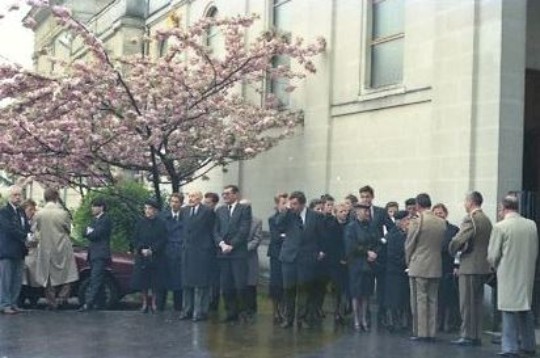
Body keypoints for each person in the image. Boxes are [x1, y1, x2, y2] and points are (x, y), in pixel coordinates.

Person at [488, 195, 538, 357]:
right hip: (527, 271)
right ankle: (529, 344)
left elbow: (493, 254)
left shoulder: (500, 227)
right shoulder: (531, 225)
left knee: (508, 309)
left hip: (508, 271)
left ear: (503, 208)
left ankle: (510, 347)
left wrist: (493, 266)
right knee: (525, 308)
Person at [448, 191, 493, 346]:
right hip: (482, 266)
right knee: (477, 303)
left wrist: (452, 249)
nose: (464, 204)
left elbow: (459, 239)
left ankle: (467, 334)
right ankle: (476, 334)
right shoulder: (487, 220)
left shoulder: (470, 219)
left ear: (471, 202)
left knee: (466, 303)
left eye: (465, 201)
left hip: (469, 266)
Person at [276, 191, 325, 329]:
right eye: (291, 204)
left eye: (295, 204)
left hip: (307, 257)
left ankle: (302, 318)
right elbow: (278, 225)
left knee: (304, 289)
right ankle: (288, 318)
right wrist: (285, 211)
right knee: (288, 289)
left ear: (303, 204)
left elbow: (321, 235)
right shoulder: (288, 215)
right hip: (289, 257)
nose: (293, 206)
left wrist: (320, 251)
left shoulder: (315, 216)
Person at [405, 193, 446, 342]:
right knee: (432, 300)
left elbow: (409, 244)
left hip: (419, 265)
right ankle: (431, 332)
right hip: (435, 264)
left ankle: (421, 332)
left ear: (418, 205)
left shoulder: (417, 221)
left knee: (419, 300)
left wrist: (408, 261)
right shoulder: (441, 222)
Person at [34, 188, 79, 310]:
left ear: (45, 197)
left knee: (48, 276)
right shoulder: (63, 213)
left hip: (46, 248)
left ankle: (51, 302)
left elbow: (35, 230)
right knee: (67, 274)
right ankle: (62, 299)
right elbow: (68, 230)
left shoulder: (39, 214)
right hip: (62, 247)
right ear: (56, 197)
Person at [214, 185, 252, 323]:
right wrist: (222, 244)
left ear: (236, 195)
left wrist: (232, 245)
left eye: (228, 194)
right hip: (223, 252)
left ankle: (243, 312)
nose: (225, 196)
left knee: (240, 284)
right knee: (226, 285)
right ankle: (231, 312)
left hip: (238, 253)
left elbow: (244, 229)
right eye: (223, 194)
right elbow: (215, 230)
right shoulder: (220, 210)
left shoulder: (244, 209)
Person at [358, 185, 394, 328]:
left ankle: (381, 315)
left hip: (379, 253)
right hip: (364, 254)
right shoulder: (357, 212)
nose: (365, 199)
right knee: (365, 286)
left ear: (372, 197)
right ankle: (364, 315)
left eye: (367, 196)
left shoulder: (380, 212)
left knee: (381, 286)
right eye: (363, 197)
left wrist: (384, 240)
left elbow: (392, 228)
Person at [180, 191, 216, 322]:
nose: (191, 198)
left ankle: (200, 311)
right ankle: (186, 310)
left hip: (202, 252)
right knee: (187, 283)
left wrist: (208, 248)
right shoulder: (184, 211)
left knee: (201, 284)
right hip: (188, 251)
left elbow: (212, 230)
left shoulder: (207, 211)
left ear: (200, 198)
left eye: (194, 196)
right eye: (190, 196)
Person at [345, 203, 379, 331]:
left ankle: (364, 318)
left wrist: (375, 252)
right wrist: (366, 252)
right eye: (364, 211)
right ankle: (356, 320)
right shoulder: (351, 227)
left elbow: (376, 241)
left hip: (369, 264)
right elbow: (350, 246)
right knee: (356, 293)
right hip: (356, 263)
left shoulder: (371, 226)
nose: (367, 214)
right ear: (357, 212)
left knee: (366, 293)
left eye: (368, 211)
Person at [130, 199, 167, 313]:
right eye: (145, 208)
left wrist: (152, 250)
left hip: (156, 256)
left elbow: (163, 239)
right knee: (143, 281)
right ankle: (145, 303)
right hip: (142, 256)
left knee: (155, 282)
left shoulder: (161, 223)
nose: (147, 211)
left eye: (150, 208)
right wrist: (141, 249)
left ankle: (154, 303)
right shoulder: (140, 223)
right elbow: (135, 238)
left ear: (155, 210)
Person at [0, 186, 30, 314]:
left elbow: (26, 226)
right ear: (9, 197)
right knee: (6, 279)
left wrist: (30, 235)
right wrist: (25, 235)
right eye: (15, 195)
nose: (18, 197)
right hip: (7, 250)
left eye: (19, 195)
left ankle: (13, 302)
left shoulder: (21, 212)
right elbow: (9, 228)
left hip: (20, 250)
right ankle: (5, 304)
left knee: (17, 279)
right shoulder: (4, 212)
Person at [78, 198, 112, 312]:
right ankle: (101, 302)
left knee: (96, 279)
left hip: (100, 253)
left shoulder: (106, 220)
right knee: (99, 279)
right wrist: (89, 232)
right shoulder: (93, 220)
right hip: (93, 253)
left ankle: (89, 303)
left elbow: (97, 234)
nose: (92, 209)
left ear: (101, 207)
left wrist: (90, 232)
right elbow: (84, 232)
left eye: (94, 206)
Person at [432, 203, 460, 333]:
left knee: (449, 296)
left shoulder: (454, 229)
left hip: (449, 266)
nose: (438, 215)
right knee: (437, 296)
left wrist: (456, 265)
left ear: (446, 213)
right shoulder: (431, 229)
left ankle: (448, 323)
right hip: (435, 266)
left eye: (440, 213)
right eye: (436, 213)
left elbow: (459, 249)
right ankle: (438, 323)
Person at [156, 193, 184, 312]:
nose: (173, 204)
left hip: (180, 253)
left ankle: (178, 308)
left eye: (176, 202)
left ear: (181, 203)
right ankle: (160, 308)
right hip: (166, 253)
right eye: (172, 201)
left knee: (178, 283)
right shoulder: (163, 216)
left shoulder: (185, 216)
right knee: (162, 283)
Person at [384, 210, 411, 332]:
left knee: (403, 297)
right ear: (399, 222)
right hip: (395, 271)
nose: (408, 222)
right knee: (394, 298)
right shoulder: (393, 235)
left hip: (404, 271)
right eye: (406, 220)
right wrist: (405, 262)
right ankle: (393, 322)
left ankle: (403, 322)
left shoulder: (407, 233)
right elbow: (392, 254)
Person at [325, 202, 349, 325]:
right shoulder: (331, 226)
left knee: (345, 288)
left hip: (348, 261)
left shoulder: (350, 225)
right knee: (337, 289)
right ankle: (336, 312)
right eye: (341, 211)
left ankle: (342, 311)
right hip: (335, 262)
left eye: (345, 211)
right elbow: (331, 245)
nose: (344, 213)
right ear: (335, 213)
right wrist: (339, 258)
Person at [268, 193, 288, 324]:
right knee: (276, 283)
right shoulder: (273, 218)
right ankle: (276, 311)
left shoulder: (291, 218)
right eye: (283, 203)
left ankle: (284, 310)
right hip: (276, 254)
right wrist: (284, 236)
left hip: (288, 254)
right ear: (277, 204)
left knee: (286, 283)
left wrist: (284, 236)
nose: (286, 206)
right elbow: (276, 237)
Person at [240, 199, 262, 316]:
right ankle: (240, 308)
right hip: (236, 257)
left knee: (250, 284)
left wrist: (243, 249)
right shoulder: (235, 220)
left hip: (249, 256)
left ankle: (251, 309)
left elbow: (257, 239)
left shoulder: (257, 221)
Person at [20, 199, 39, 308]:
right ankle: (20, 300)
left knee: (33, 279)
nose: (32, 212)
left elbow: (37, 237)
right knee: (22, 279)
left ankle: (33, 301)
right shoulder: (20, 221)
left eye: (33, 209)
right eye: (30, 209)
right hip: (23, 254)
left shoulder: (36, 222)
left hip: (33, 254)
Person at [203, 191, 220, 311]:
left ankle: (213, 303)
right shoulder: (201, 215)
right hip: (203, 251)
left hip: (214, 252)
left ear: (214, 204)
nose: (205, 205)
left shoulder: (216, 216)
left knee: (214, 280)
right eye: (205, 202)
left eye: (208, 203)